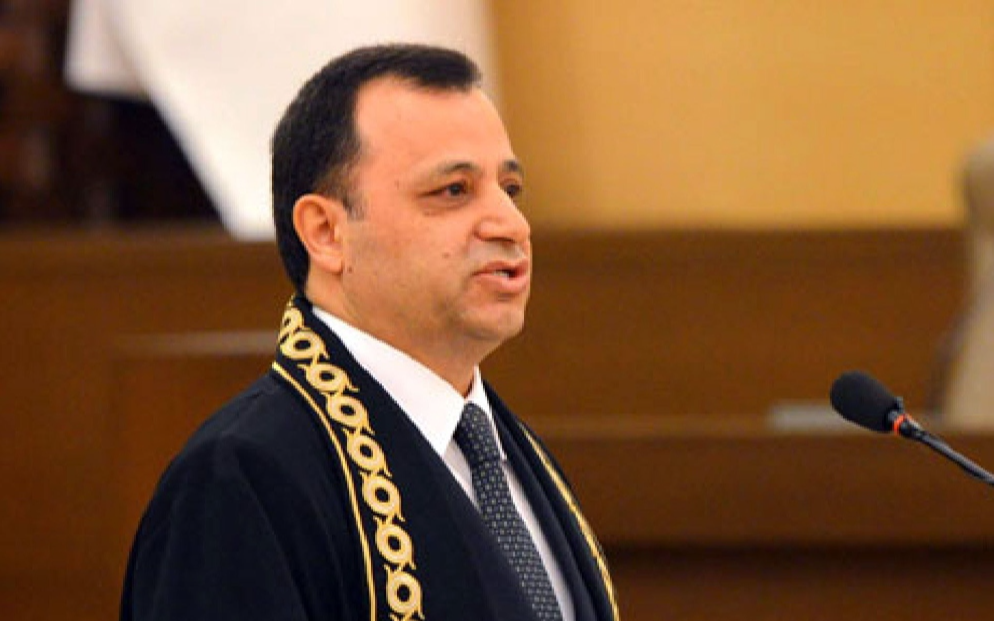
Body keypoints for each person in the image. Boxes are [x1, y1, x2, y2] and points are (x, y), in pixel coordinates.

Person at [120, 43, 619, 621]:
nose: (511, 225)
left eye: (510, 190)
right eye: (453, 191)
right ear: (326, 232)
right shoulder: (239, 480)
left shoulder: (510, 456)